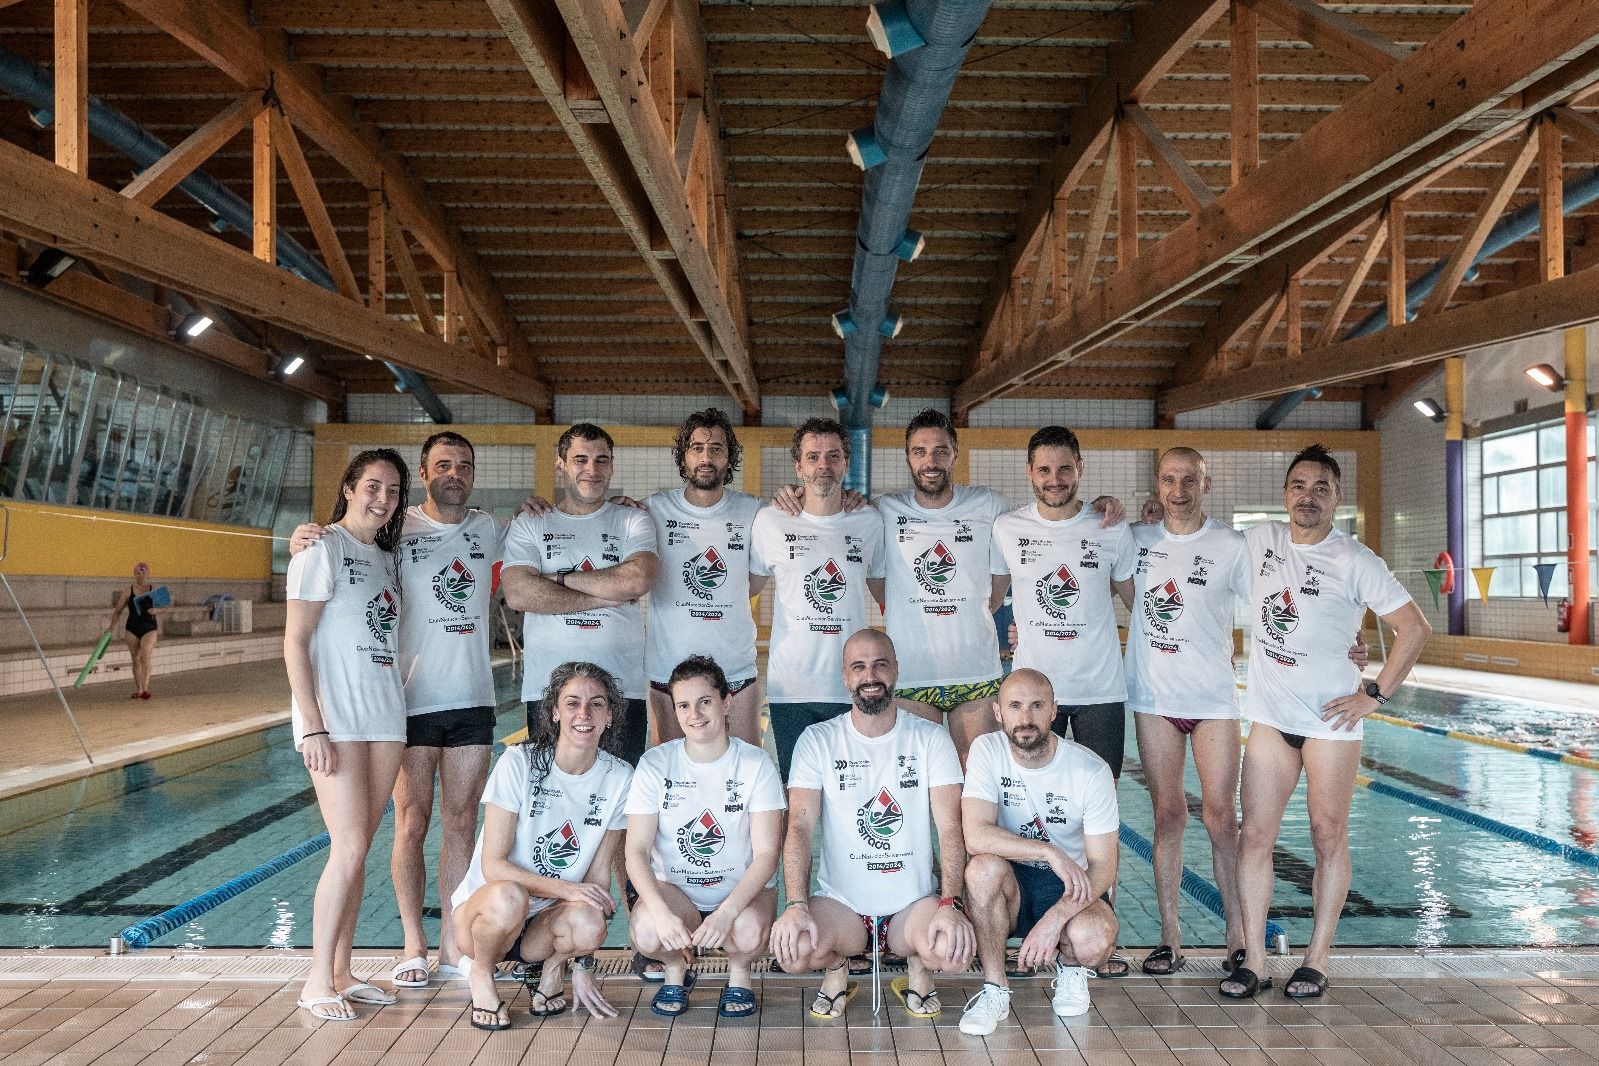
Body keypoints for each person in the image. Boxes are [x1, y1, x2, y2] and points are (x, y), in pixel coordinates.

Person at [290, 432, 508, 987]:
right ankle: (411, 944)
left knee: (461, 824)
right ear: (426, 472)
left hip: (467, 701)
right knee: (408, 825)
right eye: (442, 465)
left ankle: (452, 946)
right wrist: (304, 538)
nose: (454, 473)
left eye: (464, 464)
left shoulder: (486, 527)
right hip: (406, 702)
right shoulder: (392, 531)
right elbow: (301, 631)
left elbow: (545, 543)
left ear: (474, 473)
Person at [1222, 444, 1430, 1001]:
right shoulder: (1259, 540)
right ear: (1285, 493)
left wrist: (1375, 694)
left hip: (1332, 723)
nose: (1307, 497)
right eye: (1298, 486)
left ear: (1337, 498)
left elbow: (1415, 629)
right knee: (1255, 837)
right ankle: (1257, 961)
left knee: (1326, 833)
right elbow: (1191, 545)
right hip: (1270, 717)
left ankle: (1316, 959)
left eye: (1320, 488)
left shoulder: (1357, 560)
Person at [769, 629, 973, 1020]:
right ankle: (836, 967)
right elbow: (798, 829)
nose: (870, 675)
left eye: (880, 664)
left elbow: (950, 829)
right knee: (793, 951)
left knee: (954, 952)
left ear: (895, 670)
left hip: (912, 904)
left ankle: (918, 964)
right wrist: (796, 904)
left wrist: (950, 903)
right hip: (841, 905)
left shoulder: (930, 738)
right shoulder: (818, 740)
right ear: (845, 677)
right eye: (859, 666)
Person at [993, 424, 1135, 976]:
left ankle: (1100, 931)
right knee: (1027, 808)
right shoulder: (1007, 528)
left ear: (1080, 469)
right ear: (1029, 474)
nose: (1055, 480)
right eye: (1045, 470)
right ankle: (1022, 918)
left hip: (1100, 689)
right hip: (1033, 696)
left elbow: (1139, 599)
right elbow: (989, 596)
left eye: (1065, 468)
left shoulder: (1109, 528)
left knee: (1102, 816)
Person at [284, 449, 410, 1022]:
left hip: (384, 717)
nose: (382, 498)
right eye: (372, 486)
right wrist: (311, 724)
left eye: (392, 490)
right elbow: (295, 641)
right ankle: (315, 979)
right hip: (335, 720)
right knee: (349, 846)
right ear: (349, 488)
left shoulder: (385, 555)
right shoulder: (320, 549)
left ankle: (342, 970)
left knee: (360, 851)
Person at [449, 661, 633, 1029]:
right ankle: (481, 973)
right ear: (554, 712)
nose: (584, 713)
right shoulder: (519, 763)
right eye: (572, 703)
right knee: (510, 895)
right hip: (485, 920)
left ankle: (550, 967)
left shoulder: (620, 778)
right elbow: (494, 866)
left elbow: (597, 877)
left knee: (590, 921)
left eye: (597, 704)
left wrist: (583, 963)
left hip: (544, 926)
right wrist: (566, 888)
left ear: (610, 715)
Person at [1125, 447, 1252, 976]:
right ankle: (1170, 937)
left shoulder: (1231, 545)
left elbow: (1278, 602)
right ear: (1157, 486)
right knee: (1167, 814)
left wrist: (1346, 649)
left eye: (1189, 480)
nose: (1179, 490)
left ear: (1207, 483)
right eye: (1169, 480)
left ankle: (1239, 937)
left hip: (1214, 700)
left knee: (1223, 818)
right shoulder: (1135, 539)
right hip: (1154, 698)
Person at [958, 669, 1120, 1034]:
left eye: (1036, 706)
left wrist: (1054, 920)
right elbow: (976, 836)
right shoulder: (987, 750)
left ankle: (1072, 967)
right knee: (981, 870)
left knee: (1095, 940)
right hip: (1011, 882)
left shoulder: (1090, 771)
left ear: (1053, 711)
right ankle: (995, 988)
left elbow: (1104, 866)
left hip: (1069, 886)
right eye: (1015, 706)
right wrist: (1048, 851)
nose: (1025, 718)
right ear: (998, 712)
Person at [624, 655, 784, 1019]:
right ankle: (675, 969)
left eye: (705, 701)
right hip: (676, 891)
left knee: (745, 933)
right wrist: (663, 915)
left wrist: (726, 913)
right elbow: (635, 850)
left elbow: (766, 855)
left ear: (727, 703)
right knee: (648, 931)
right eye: (684, 705)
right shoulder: (656, 764)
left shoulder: (755, 764)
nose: (694, 714)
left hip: (741, 892)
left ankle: (739, 974)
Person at [501, 424, 658, 765]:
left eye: (602, 460)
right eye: (580, 459)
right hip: (548, 693)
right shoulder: (531, 523)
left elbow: (636, 580)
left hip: (622, 689)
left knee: (620, 801)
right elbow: (518, 593)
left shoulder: (632, 519)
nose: (592, 469)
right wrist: (606, 594)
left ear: (612, 465)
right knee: (554, 797)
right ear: (560, 463)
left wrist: (554, 579)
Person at [869, 410, 1012, 762]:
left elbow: (1000, 580)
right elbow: (876, 580)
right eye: (920, 451)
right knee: (917, 783)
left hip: (975, 672)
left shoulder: (990, 506)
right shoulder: (884, 511)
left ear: (955, 454)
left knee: (978, 780)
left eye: (940, 450)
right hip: (911, 675)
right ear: (907, 457)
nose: (930, 461)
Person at [749, 418, 883, 780]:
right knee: (799, 801)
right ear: (799, 467)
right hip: (790, 687)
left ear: (846, 464)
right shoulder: (770, 521)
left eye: (832, 456)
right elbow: (743, 589)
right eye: (813, 457)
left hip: (854, 685)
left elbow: (891, 594)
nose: (823, 464)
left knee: (855, 796)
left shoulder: (870, 521)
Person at [642, 410, 764, 747]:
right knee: (673, 779)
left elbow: (752, 582)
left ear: (730, 457)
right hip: (669, 672)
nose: (706, 457)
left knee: (744, 774)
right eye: (697, 448)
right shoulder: (653, 509)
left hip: (736, 672)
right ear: (684, 456)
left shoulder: (753, 511)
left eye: (716, 449)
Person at [109, 562, 162, 699]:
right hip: (132, 628)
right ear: (134, 574)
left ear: (148, 574)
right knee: (136, 660)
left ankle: (145, 688)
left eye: (144, 573)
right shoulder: (128, 591)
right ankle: (139, 689)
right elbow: (118, 611)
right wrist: (111, 627)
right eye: (138, 573)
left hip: (149, 627)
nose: (141, 576)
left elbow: (164, 606)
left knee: (145, 656)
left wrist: (156, 610)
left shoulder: (153, 590)